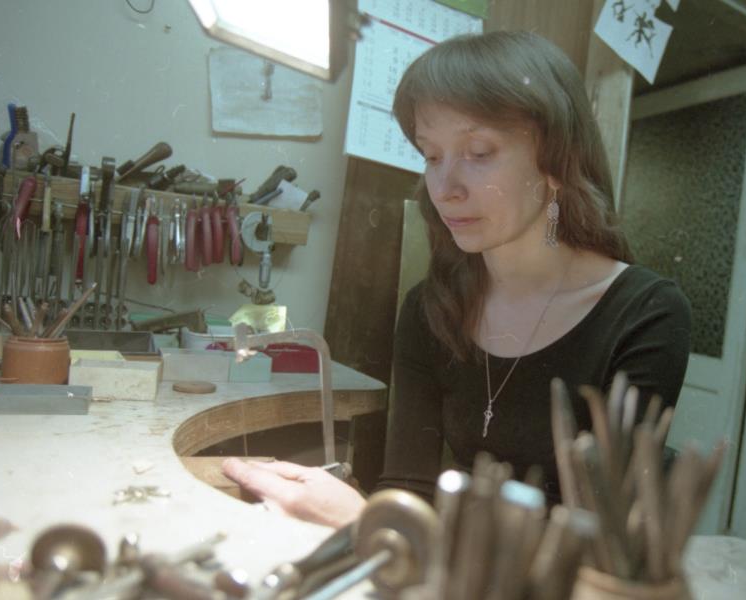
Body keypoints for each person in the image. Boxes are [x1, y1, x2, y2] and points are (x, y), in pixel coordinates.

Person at [222, 30, 691, 528]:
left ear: (557, 160)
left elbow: (599, 543)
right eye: (431, 156)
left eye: (479, 151)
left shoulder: (646, 314)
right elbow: (410, 489)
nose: (444, 188)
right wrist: (362, 515)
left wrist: (358, 521)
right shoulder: (433, 308)